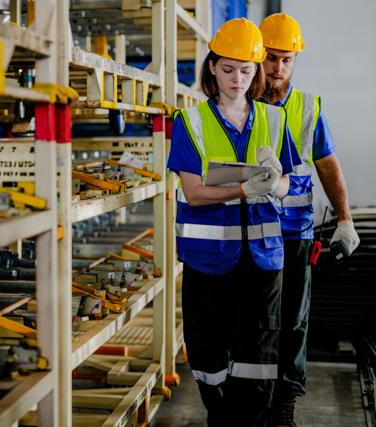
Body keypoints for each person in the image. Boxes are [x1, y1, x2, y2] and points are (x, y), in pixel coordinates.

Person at [167, 18, 301, 426]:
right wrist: (244, 190)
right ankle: (222, 417)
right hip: (208, 259)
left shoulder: (274, 120)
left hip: (263, 260)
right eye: (227, 69)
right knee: (207, 354)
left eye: (246, 70)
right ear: (211, 67)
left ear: (257, 70)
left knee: (258, 357)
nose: (237, 79)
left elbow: (287, 186)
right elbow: (193, 192)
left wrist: (276, 181)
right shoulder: (189, 122)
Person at [258, 13, 361, 426]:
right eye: (270, 58)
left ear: (295, 59)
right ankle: (250, 401)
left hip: (294, 235)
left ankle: (284, 404)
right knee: (251, 321)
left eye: (285, 59)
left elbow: (328, 167)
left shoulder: (307, 108)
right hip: (245, 235)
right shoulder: (236, 102)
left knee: (292, 323)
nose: (277, 68)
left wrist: (345, 220)